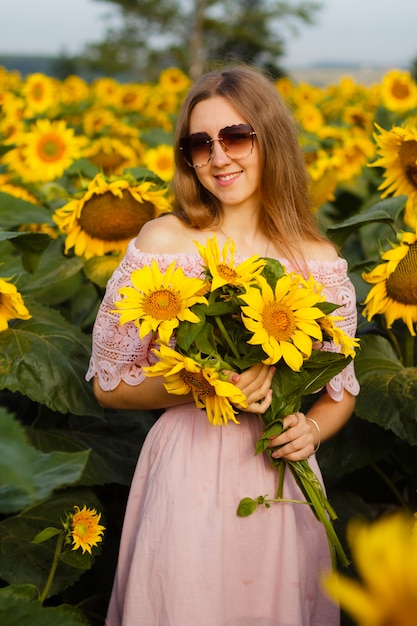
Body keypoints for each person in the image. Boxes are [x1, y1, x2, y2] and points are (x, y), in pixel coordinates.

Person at [86, 65, 360, 626]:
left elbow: (339, 390)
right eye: (200, 143)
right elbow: (108, 386)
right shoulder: (162, 243)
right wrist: (202, 384)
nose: (219, 157)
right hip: (184, 474)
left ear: (271, 140)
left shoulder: (318, 261)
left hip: (277, 483)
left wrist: (311, 429)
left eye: (237, 137)